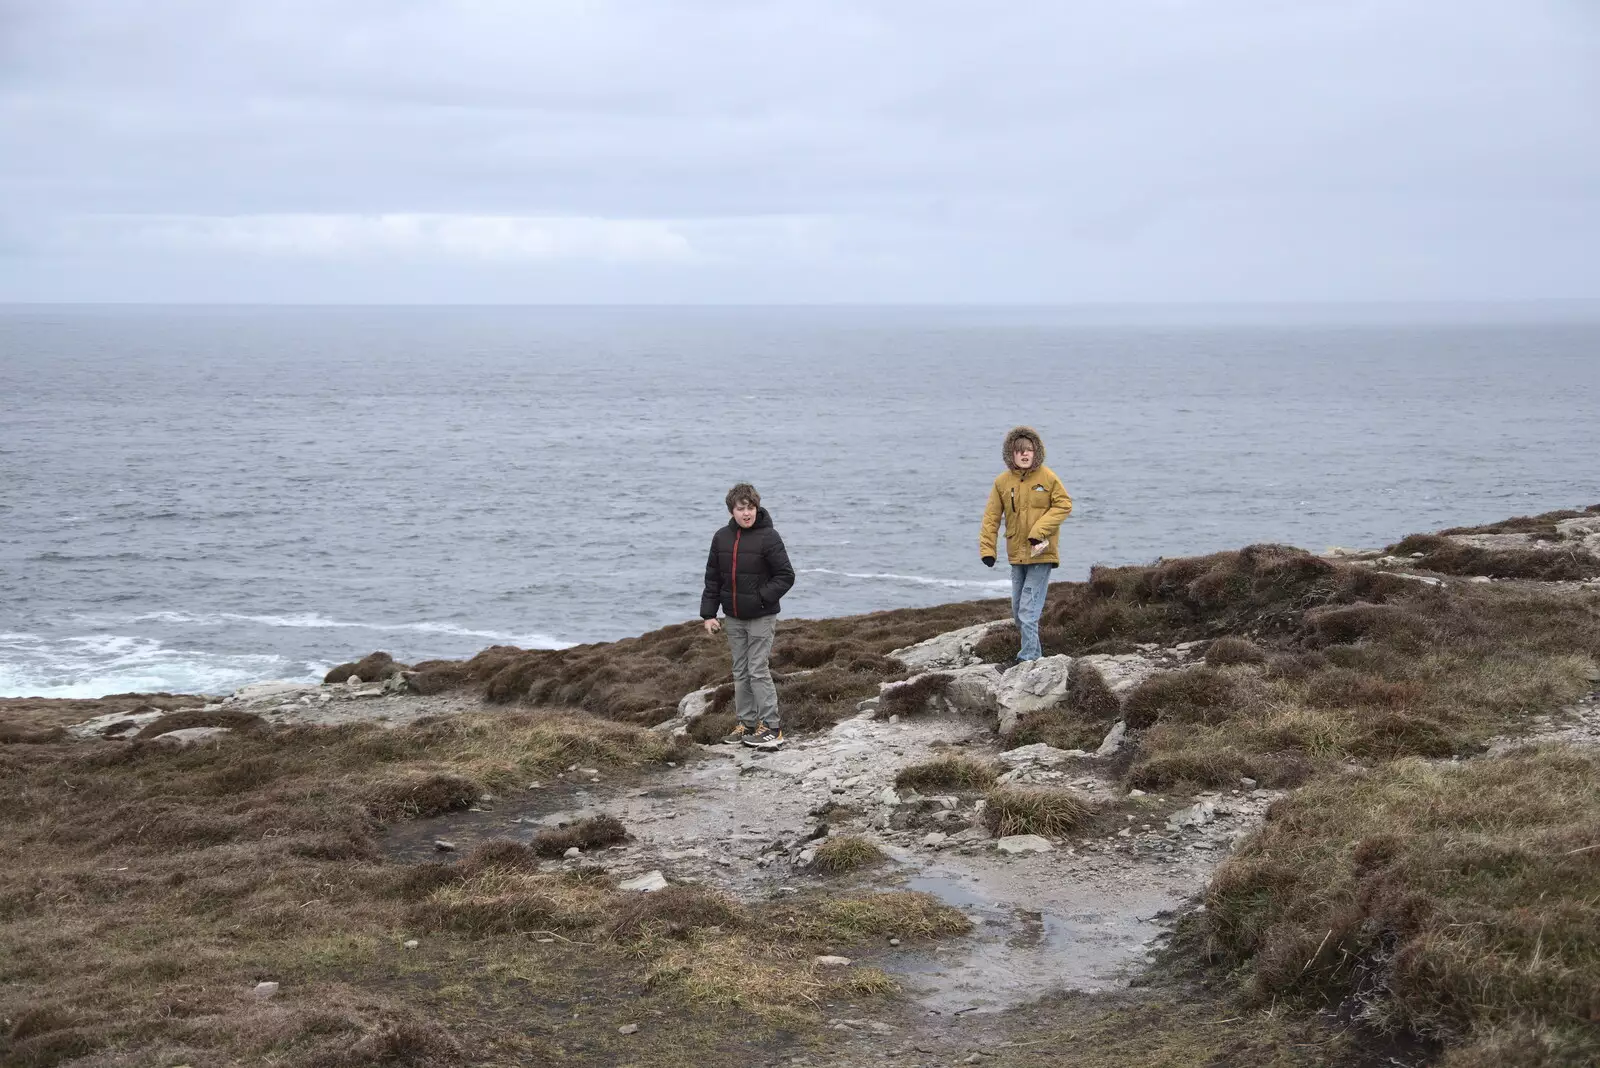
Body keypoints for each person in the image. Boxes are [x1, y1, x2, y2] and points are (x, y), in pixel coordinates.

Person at [700, 482, 796, 749]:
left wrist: (760, 598)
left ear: (757, 508)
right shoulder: (721, 538)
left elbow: (786, 576)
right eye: (741, 508)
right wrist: (709, 614)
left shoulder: (769, 537)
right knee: (740, 671)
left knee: (757, 669)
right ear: (732, 510)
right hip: (733, 617)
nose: (747, 513)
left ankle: (772, 728)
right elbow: (712, 578)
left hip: (761, 616)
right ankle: (747, 724)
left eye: (751, 508)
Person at [978, 426, 1073, 662]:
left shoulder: (1048, 477)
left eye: (1029, 450)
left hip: (1041, 553)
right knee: (1018, 612)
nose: (1024, 454)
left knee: (1028, 611)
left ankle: (1027, 658)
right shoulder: (1002, 482)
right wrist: (988, 550)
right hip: (1016, 555)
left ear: (1036, 452)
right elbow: (991, 518)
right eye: (1019, 451)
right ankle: (1034, 655)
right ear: (1011, 454)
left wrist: (1039, 531)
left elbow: (1064, 505)